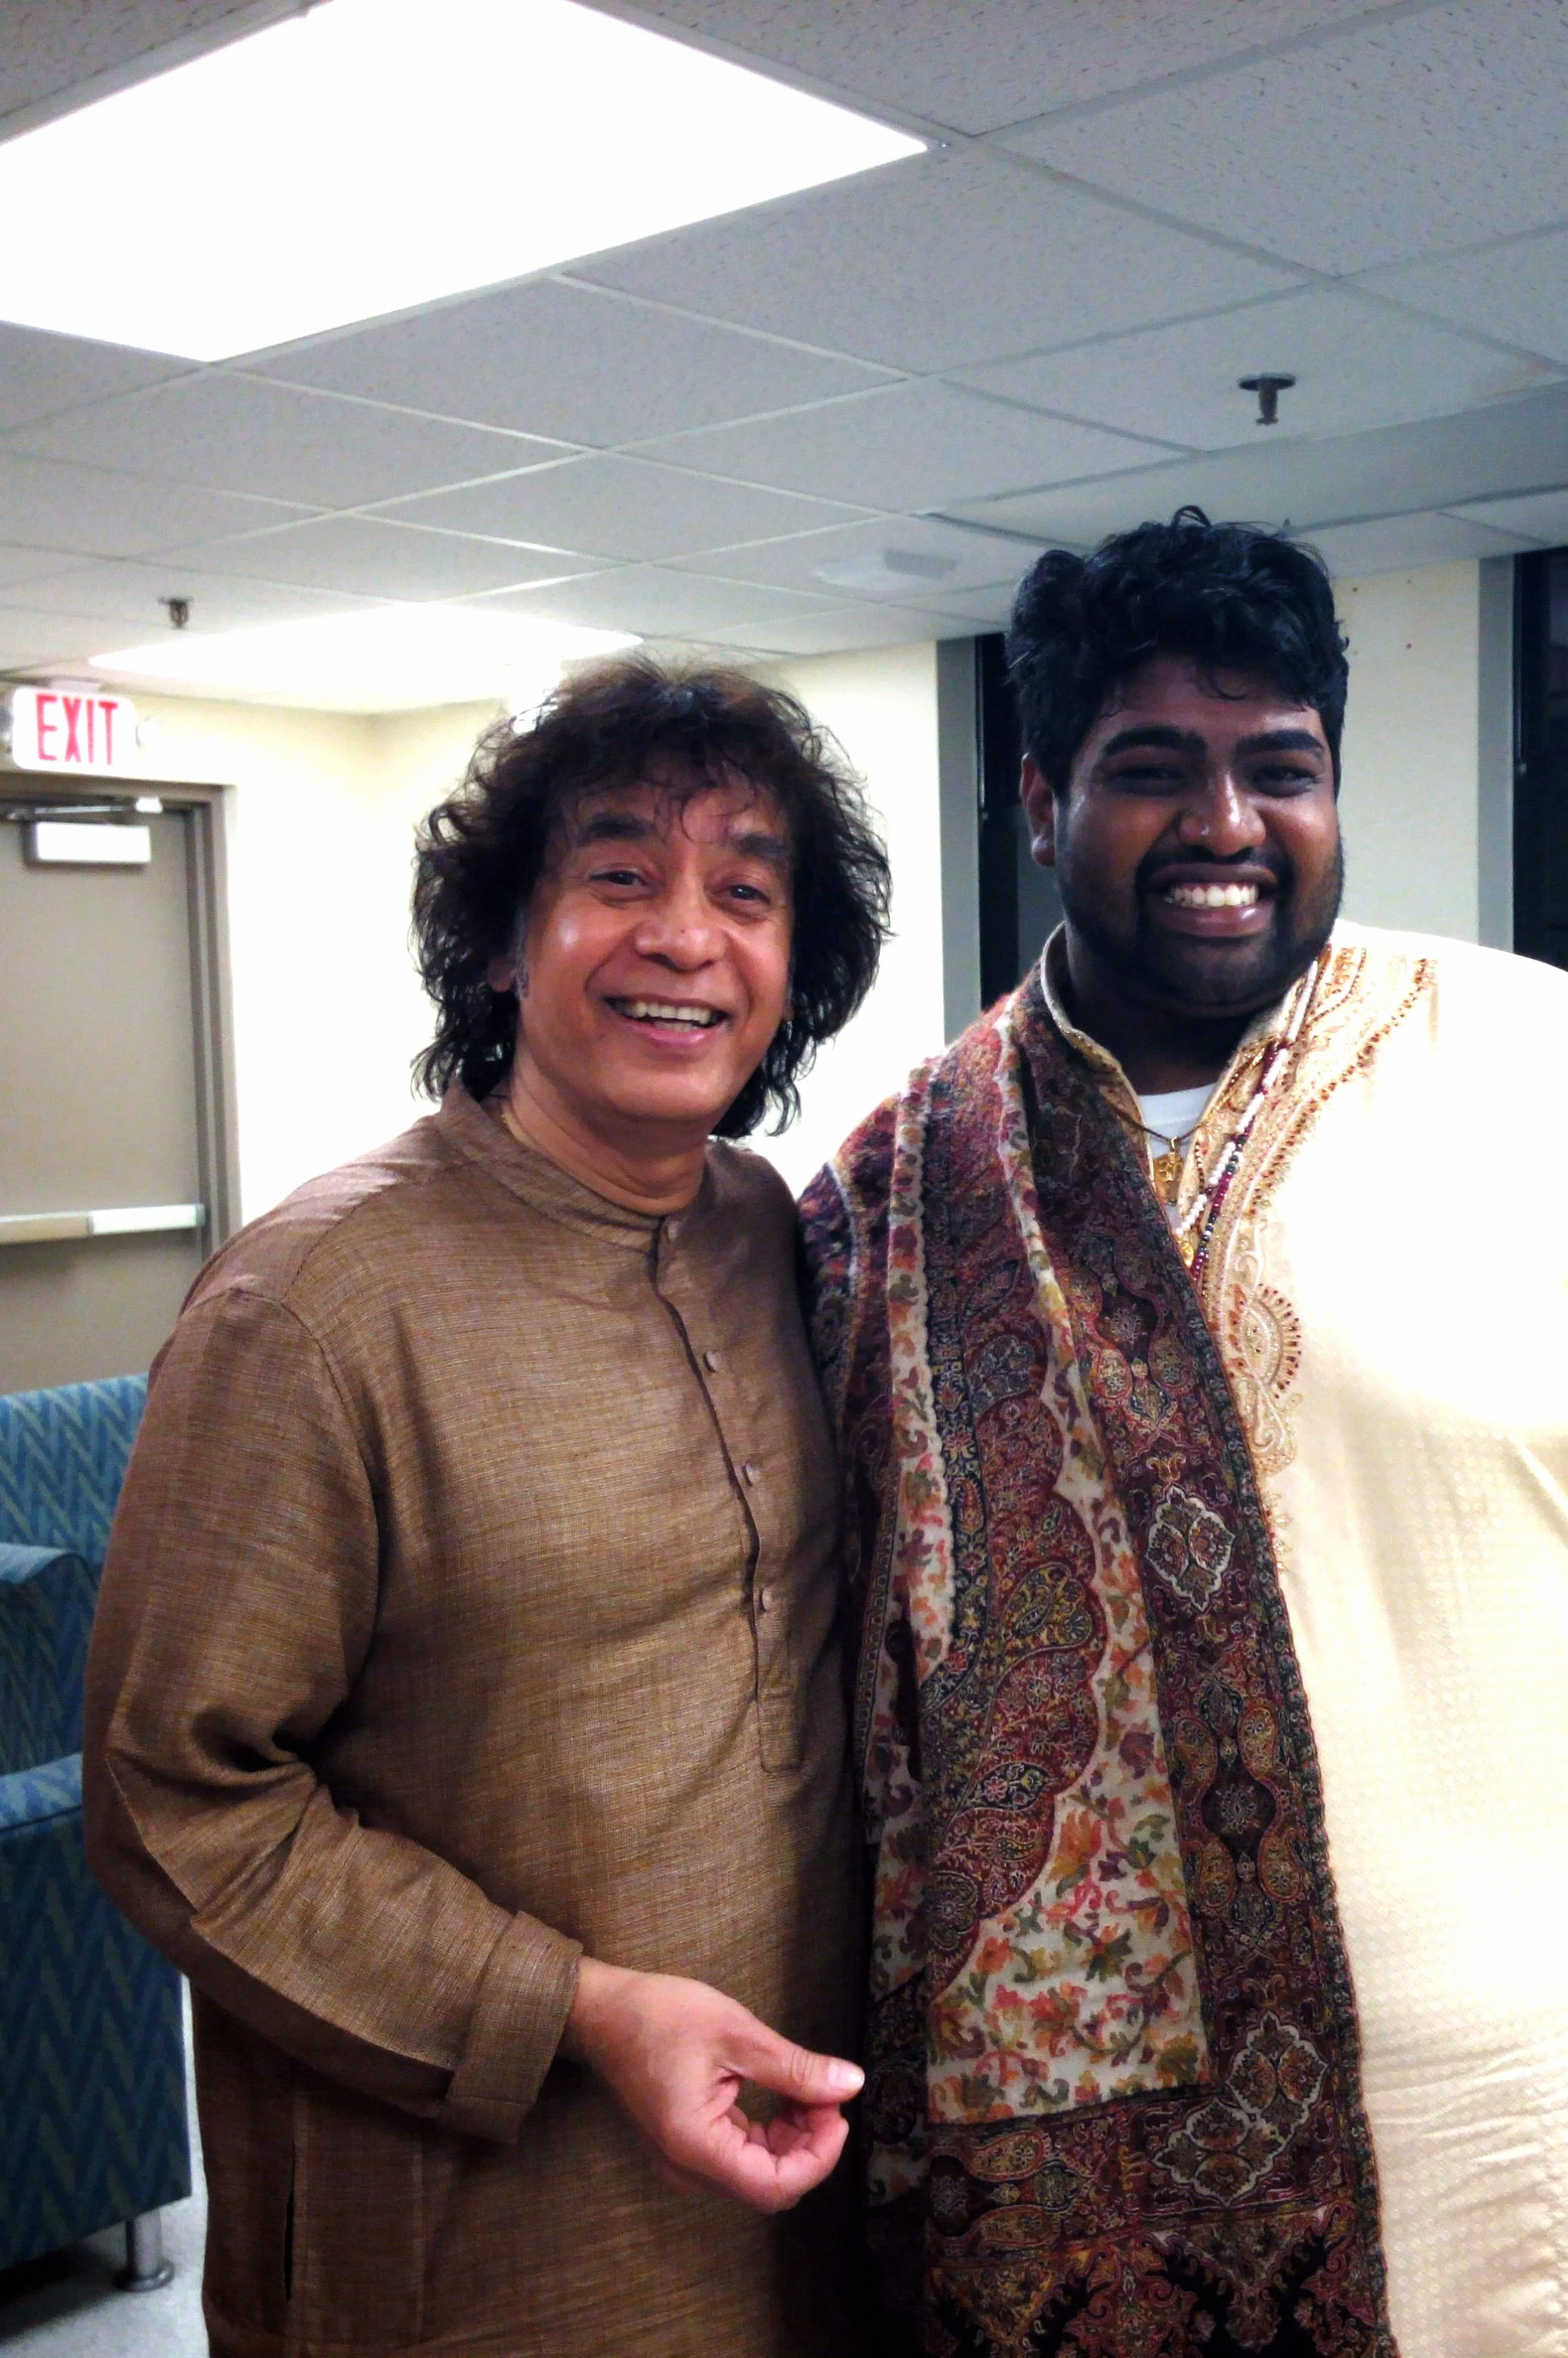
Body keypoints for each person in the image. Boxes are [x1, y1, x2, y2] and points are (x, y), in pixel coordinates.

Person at [802, 509, 1568, 2357]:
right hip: (1072, 2165)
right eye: (1151, 769)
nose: (1223, 827)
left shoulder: (1529, 1064)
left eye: (1276, 770)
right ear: (1041, 794)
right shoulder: (897, 1185)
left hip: (1506, 2098)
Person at [84, 655, 892, 2358]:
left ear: (791, 970)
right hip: (475, 2230)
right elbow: (174, 1800)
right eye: (618, 877)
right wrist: (574, 2012)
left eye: (743, 893)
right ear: (503, 939)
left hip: (798, 2193)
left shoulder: (776, 1237)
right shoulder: (310, 1309)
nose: (685, 936)